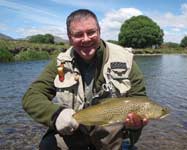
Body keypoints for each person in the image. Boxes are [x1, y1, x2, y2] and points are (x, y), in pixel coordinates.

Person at [22, 9, 148, 150]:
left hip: (109, 134)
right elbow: (31, 96)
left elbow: (139, 98)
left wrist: (135, 124)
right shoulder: (60, 64)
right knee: (48, 146)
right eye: (78, 35)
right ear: (70, 38)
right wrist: (56, 115)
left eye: (91, 32)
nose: (86, 39)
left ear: (99, 32)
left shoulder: (125, 60)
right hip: (73, 130)